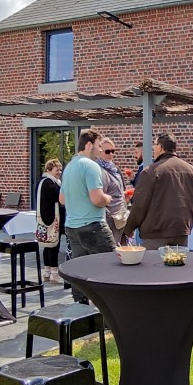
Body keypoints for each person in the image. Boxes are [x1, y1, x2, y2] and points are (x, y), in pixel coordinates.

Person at [59, 129, 115, 303]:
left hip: (72, 228)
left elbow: (62, 199)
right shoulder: (91, 166)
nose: (100, 150)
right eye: (99, 146)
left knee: (80, 273)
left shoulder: (69, 166)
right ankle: (112, 318)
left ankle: (81, 316)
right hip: (93, 226)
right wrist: (108, 198)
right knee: (112, 270)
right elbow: (97, 199)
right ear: (89, 145)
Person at [124, 132, 193, 250]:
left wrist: (128, 229)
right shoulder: (192, 171)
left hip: (155, 233)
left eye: (154, 146)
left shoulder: (151, 171)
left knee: (154, 267)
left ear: (161, 147)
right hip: (180, 231)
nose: (153, 149)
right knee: (176, 265)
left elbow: (140, 206)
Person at [36, 158, 66, 284]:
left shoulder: (42, 181)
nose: (59, 172)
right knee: (54, 245)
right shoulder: (50, 184)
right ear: (49, 170)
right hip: (52, 219)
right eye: (56, 170)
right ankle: (54, 273)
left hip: (43, 218)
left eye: (60, 169)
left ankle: (47, 272)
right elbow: (59, 198)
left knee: (47, 246)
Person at [96, 137, 129, 245]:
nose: (111, 154)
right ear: (99, 152)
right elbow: (99, 197)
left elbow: (119, 190)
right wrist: (109, 217)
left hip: (121, 217)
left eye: (113, 151)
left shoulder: (114, 169)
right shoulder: (99, 171)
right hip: (111, 220)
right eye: (107, 151)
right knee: (112, 249)